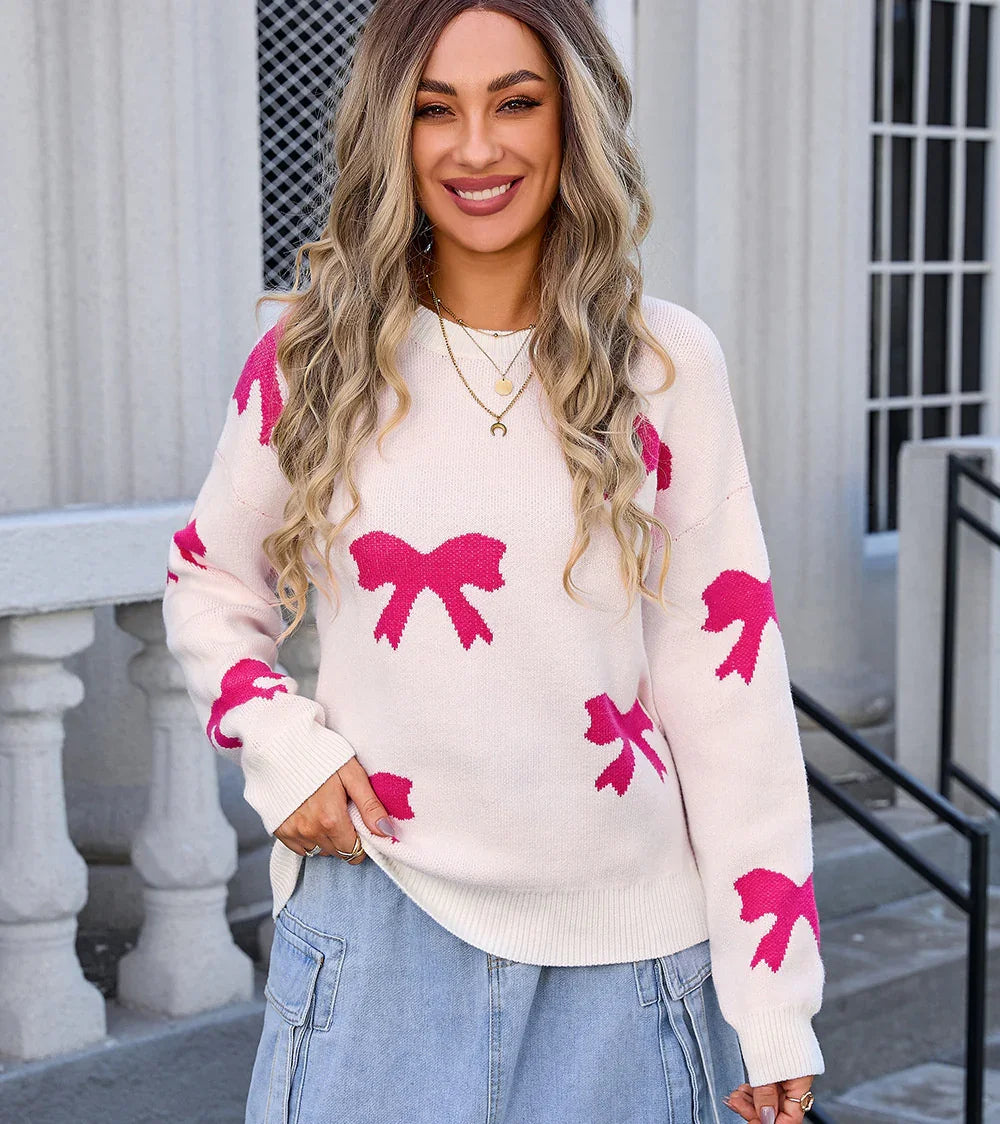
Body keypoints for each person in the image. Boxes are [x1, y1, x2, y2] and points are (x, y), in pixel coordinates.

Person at [161, 1, 825, 1121]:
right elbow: (209, 578)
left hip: (630, 969)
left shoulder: (666, 365)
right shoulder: (309, 356)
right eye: (435, 111)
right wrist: (283, 746)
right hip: (377, 936)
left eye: (516, 102)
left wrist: (771, 1001)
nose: (476, 148)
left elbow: (729, 682)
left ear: (573, 121)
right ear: (390, 132)